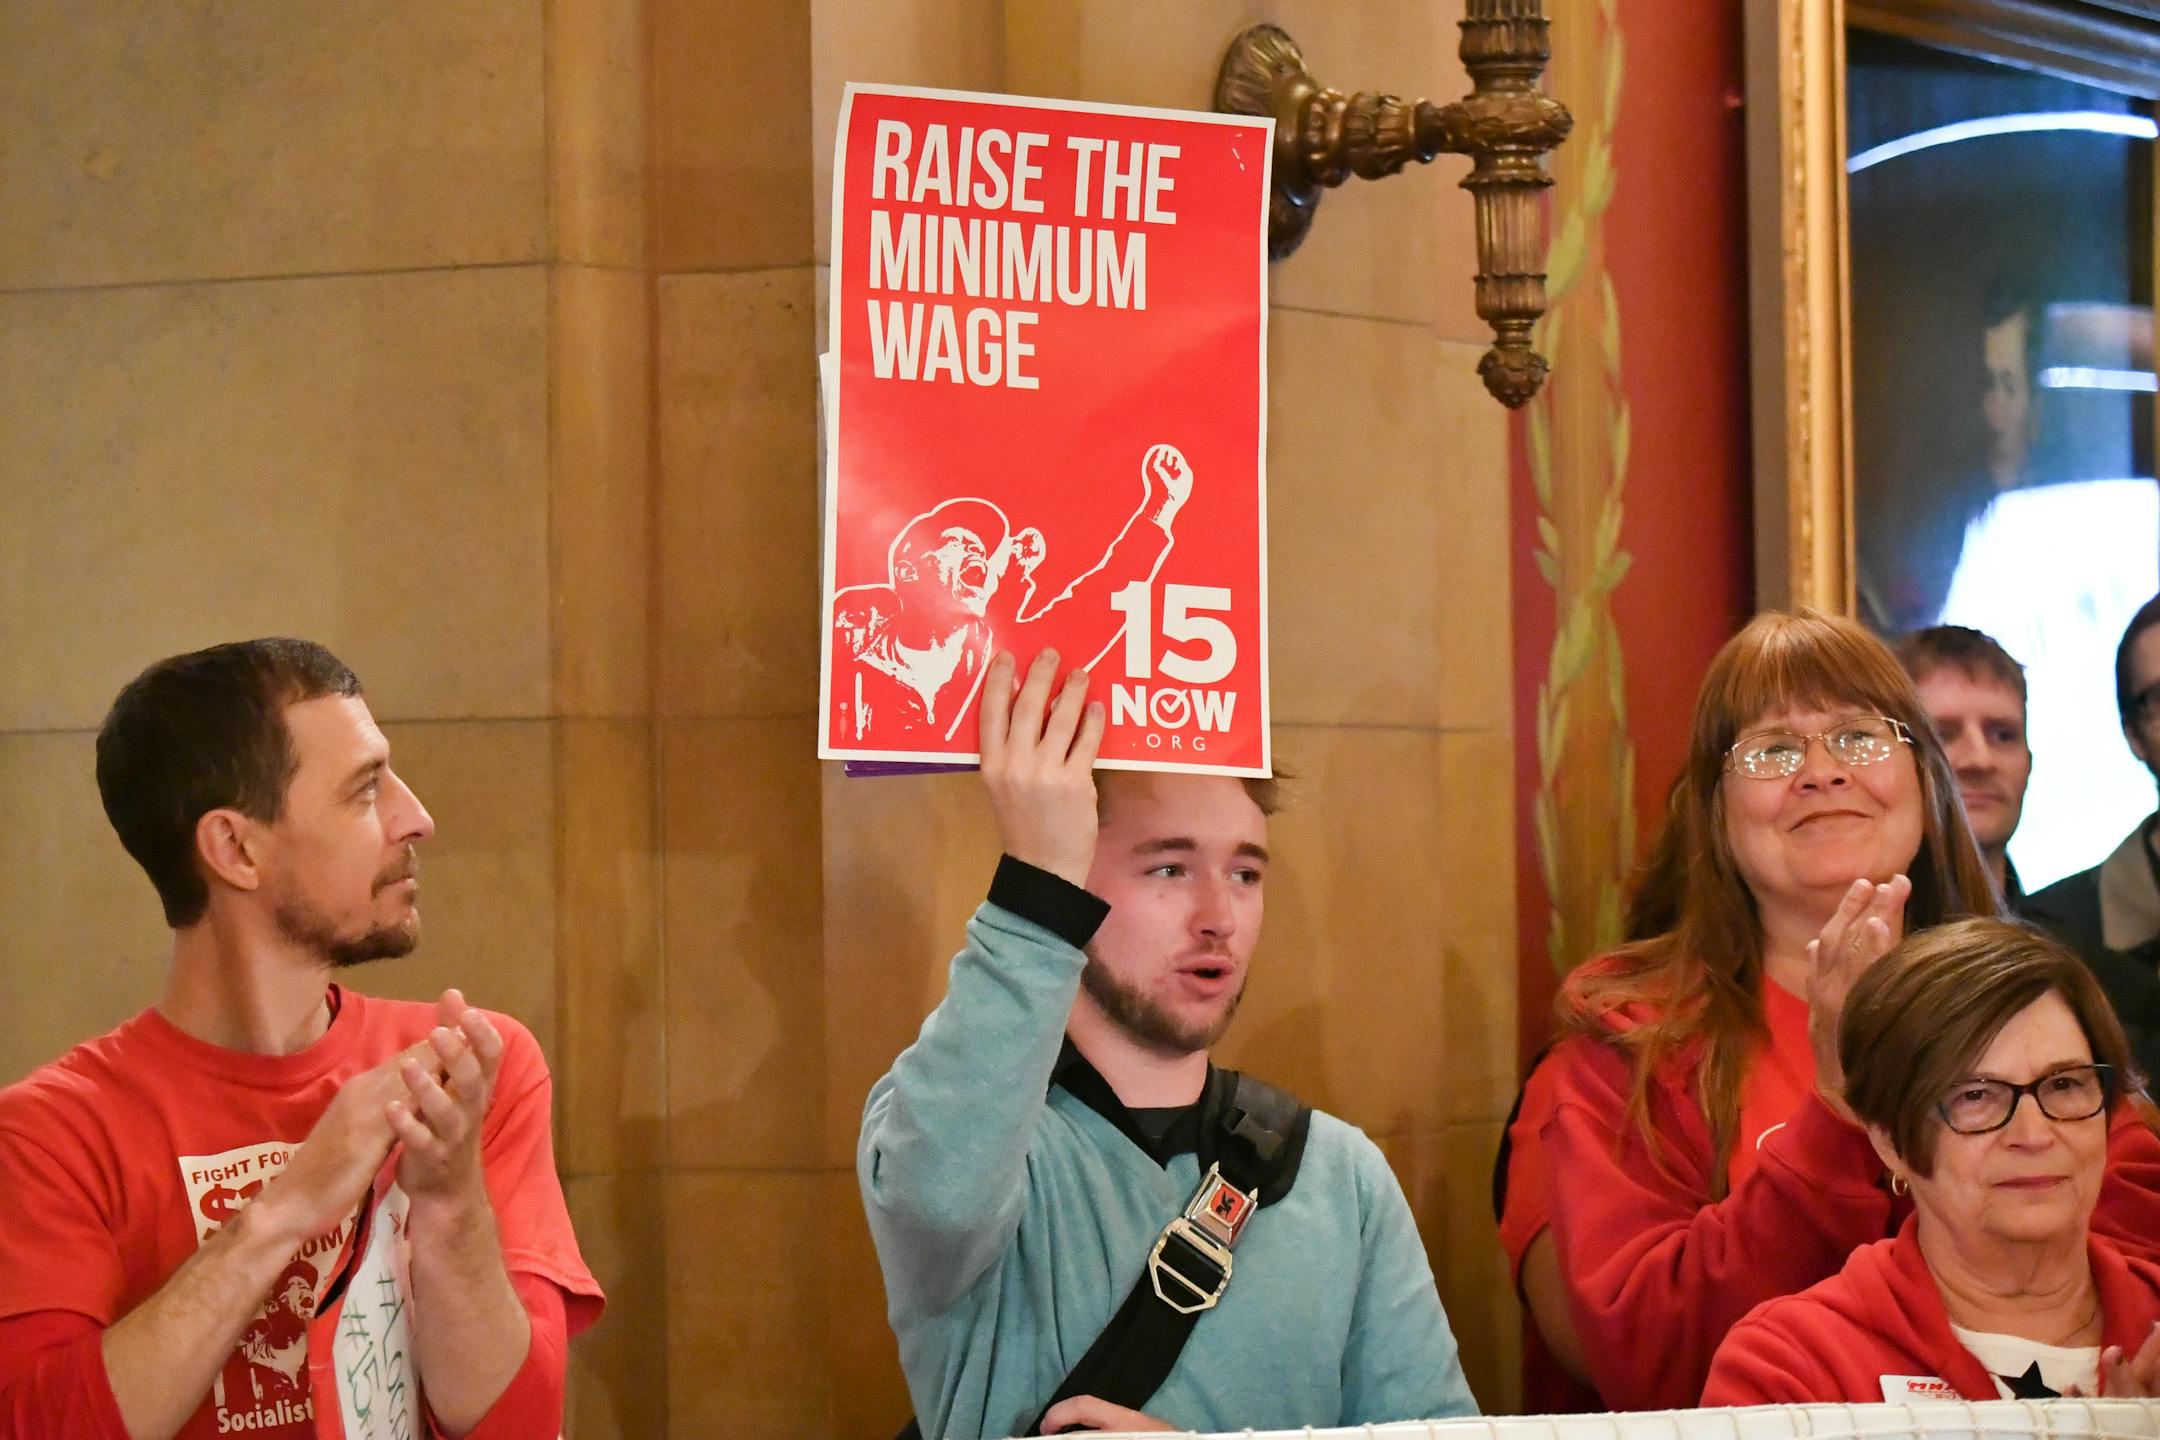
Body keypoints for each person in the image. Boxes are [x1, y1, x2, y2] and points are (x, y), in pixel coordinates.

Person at [1495, 609, 2160, 1412]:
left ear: (1924, 782)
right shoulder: (1624, 1046)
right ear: (1714, 807)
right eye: (1774, 750)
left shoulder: (2036, 1003)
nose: (1821, 772)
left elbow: (2136, 1255)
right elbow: (1651, 1363)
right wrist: (1839, 1103)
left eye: (1860, 737)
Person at [857, 649, 1474, 1437]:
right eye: (1171, 868)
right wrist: (1037, 876)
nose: (1218, 914)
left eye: (1246, 874)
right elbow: (938, 1197)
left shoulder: (1341, 1178)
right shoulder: (980, 1146)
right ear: (1071, 873)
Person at [0, 640, 601, 1439]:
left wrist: (452, 1201)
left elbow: (520, 1422)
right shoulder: (49, 1134)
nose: (415, 817)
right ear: (235, 850)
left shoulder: (461, 1072)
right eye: (364, 792)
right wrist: (286, 1209)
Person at [1705, 919, 2160, 1402]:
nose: (2033, 1134)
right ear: (1888, 1140)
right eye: (1976, 1095)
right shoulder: (1792, 1365)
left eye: (2065, 1085)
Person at [833, 443, 1191, 745]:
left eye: (986, 553)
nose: (980, 556)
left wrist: (1159, 511)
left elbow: (1097, 606)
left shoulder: (1003, 659)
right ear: (909, 570)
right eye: (960, 541)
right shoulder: (850, 639)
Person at [1894, 625, 2032, 905]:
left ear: (2030, 762)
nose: (1980, 760)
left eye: (2003, 735)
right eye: (1942, 735)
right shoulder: (1857, 948)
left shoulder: (2075, 947)